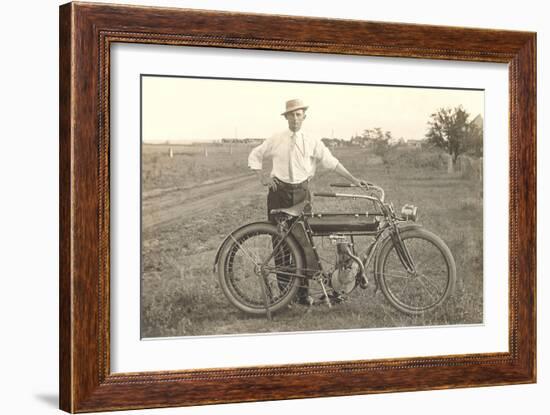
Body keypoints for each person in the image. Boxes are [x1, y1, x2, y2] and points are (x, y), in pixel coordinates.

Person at [248, 98, 367, 305]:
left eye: (298, 114)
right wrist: (262, 178)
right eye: (291, 115)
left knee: (304, 244)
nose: (294, 119)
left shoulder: (312, 141)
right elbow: (256, 155)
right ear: (285, 118)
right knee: (281, 243)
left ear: (304, 117)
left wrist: (355, 181)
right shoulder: (276, 139)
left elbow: (332, 163)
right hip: (279, 193)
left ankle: (303, 295)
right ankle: (286, 297)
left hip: (302, 195)